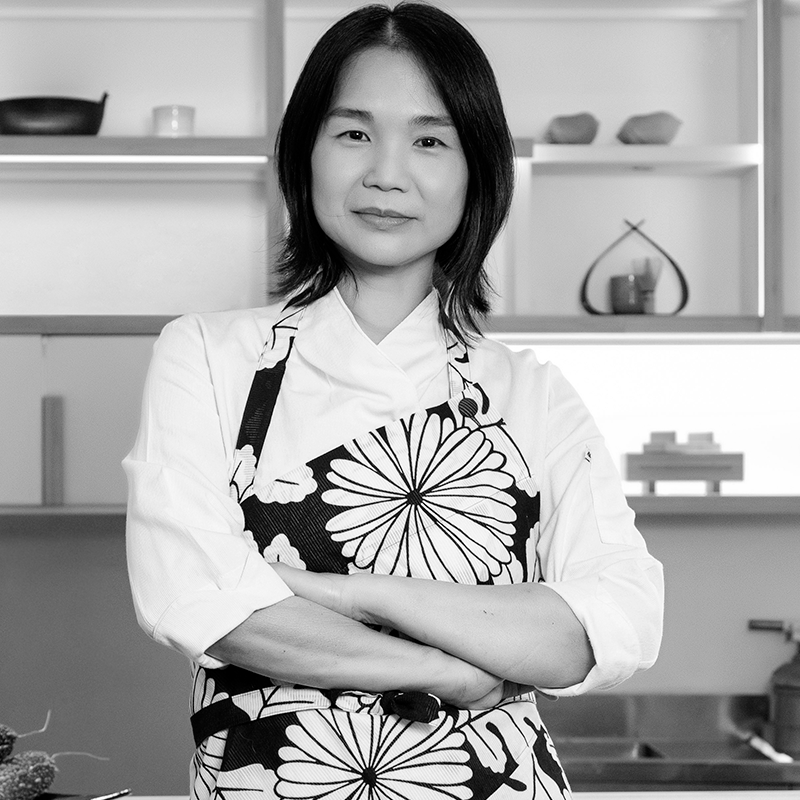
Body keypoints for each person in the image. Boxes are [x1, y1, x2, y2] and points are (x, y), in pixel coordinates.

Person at [124, 4, 664, 800]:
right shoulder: (207, 356)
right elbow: (203, 602)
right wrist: (443, 668)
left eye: (429, 139)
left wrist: (345, 593)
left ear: (476, 169)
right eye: (353, 134)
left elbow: (605, 629)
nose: (386, 172)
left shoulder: (531, 392)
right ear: (304, 153)